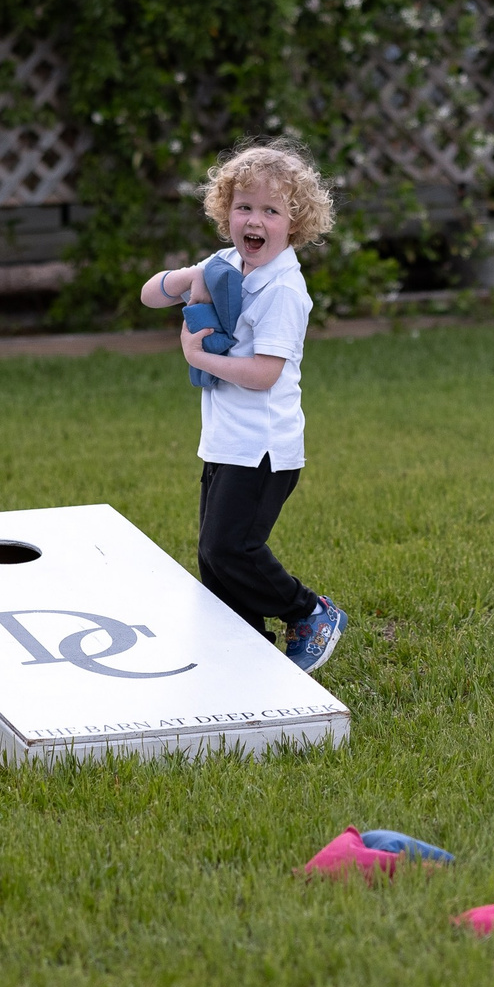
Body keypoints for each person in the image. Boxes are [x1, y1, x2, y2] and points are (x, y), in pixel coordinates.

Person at [138, 142, 347, 673]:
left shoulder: (283, 291)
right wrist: (186, 281)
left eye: (271, 211)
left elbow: (264, 374)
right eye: (244, 207)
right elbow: (149, 295)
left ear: (294, 225)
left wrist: (196, 356)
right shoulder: (226, 265)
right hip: (227, 442)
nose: (255, 220)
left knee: (233, 549)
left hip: (264, 449)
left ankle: (309, 612)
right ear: (225, 212)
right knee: (212, 558)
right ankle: (246, 654)